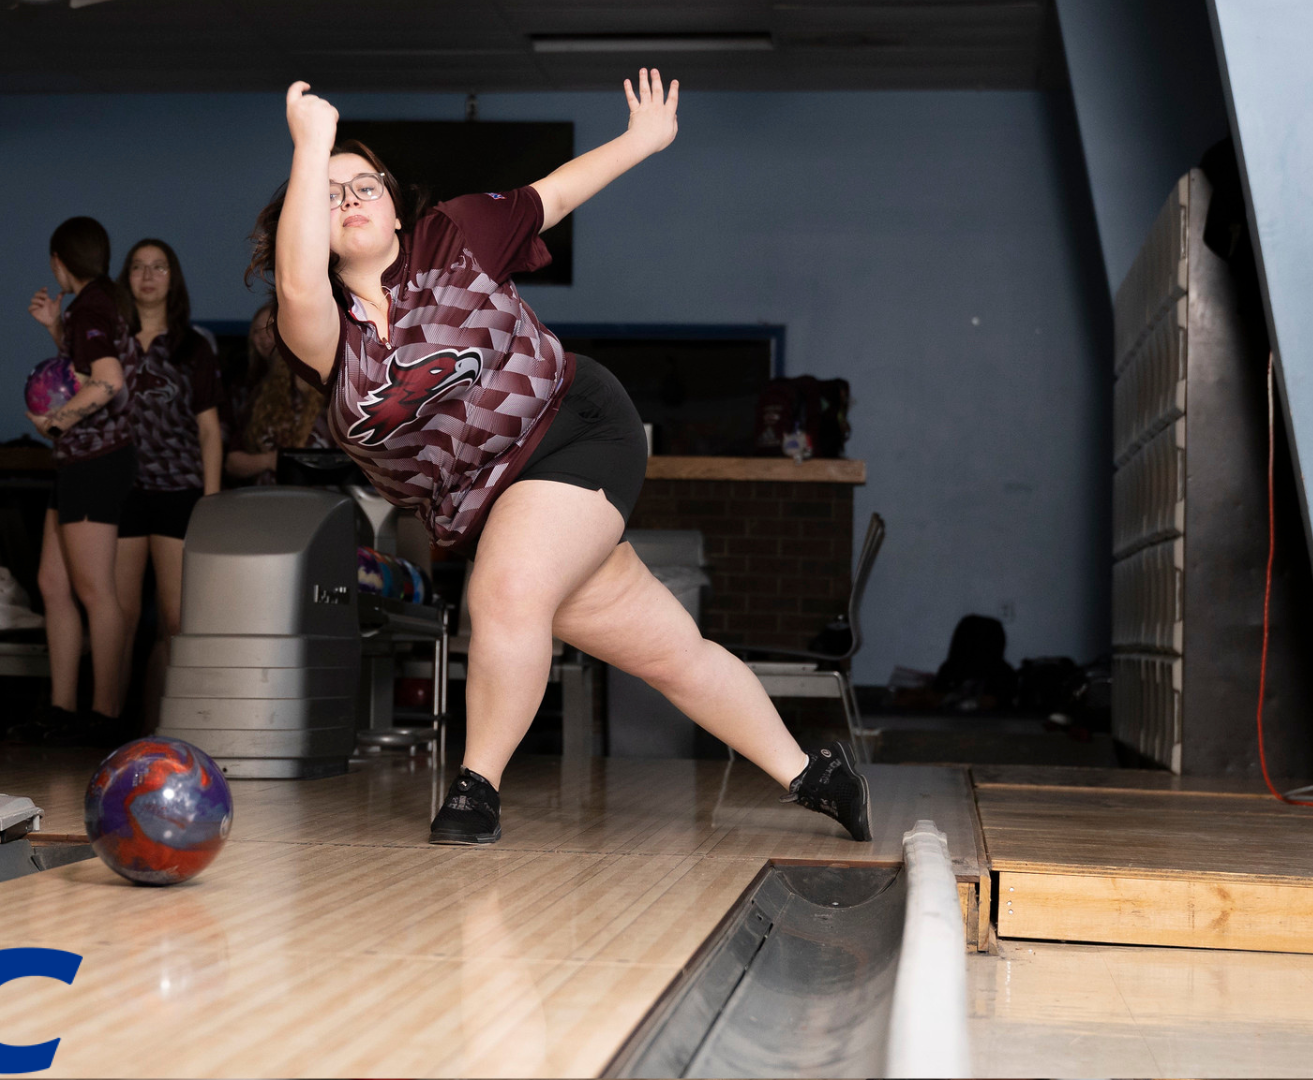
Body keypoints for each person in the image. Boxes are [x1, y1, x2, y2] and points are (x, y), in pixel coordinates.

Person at [257, 71, 872, 845]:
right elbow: (294, 281)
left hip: (573, 429)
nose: (349, 198)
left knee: (508, 591)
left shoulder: (455, 236)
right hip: (494, 502)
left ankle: (475, 790)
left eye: (363, 184)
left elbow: (553, 192)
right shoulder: (324, 338)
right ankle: (815, 774)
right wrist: (309, 149)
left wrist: (642, 140)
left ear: (394, 200)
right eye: (327, 191)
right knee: (670, 653)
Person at [16, 216, 135, 744]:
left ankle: (104, 716)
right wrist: (53, 329)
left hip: (95, 460)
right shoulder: (94, 305)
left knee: (94, 591)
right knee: (53, 583)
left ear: (59, 261)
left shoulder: (92, 306)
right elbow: (88, 364)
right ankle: (62, 709)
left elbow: (107, 381)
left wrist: (56, 420)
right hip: (77, 461)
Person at [111, 239, 223, 720]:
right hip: (122, 491)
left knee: (176, 621)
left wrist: (212, 501)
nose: (148, 275)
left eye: (158, 267)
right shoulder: (111, 345)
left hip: (180, 490)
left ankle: (168, 725)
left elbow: (209, 430)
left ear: (172, 278)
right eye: (138, 267)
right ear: (127, 278)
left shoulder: (193, 345)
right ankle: (109, 721)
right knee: (121, 618)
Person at [225, 300, 332, 485]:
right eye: (257, 331)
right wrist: (270, 460)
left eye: (271, 328)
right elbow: (233, 461)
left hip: (323, 497)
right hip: (270, 499)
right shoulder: (256, 392)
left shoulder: (334, 389)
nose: (264, 337)